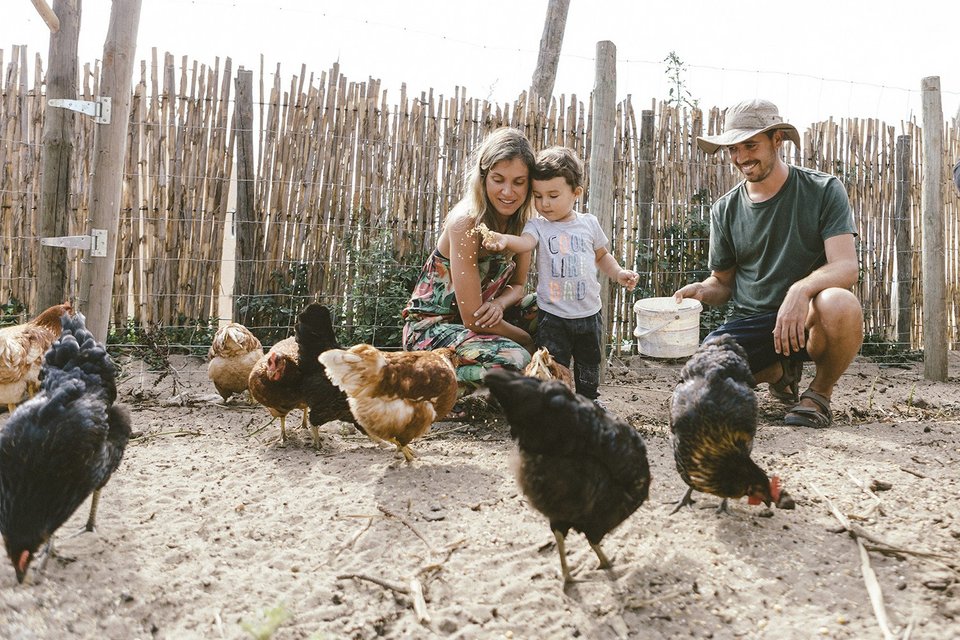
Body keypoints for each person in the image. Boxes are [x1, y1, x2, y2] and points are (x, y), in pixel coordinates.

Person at [674, 99, 863, 428]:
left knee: (840, 302)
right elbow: (723, 282)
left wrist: (800, 291)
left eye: (751, 144)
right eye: (734, 148)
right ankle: (779, 370)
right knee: (702, 387)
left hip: (808, 318)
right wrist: (703, 292)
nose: (741, 157)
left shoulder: (824, 190)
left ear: (777, 140)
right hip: (752, 321)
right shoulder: (724, 209)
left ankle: (818, 395)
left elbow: (846, 267)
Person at [482, 146, 639, 403]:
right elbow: (525, 244)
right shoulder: (538, 226)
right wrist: (502, 240)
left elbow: (601, 255)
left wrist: (619, 272)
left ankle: (589, 401)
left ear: (575, 193)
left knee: (589, 363)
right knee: (554, 363)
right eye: (538, 196)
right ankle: (557, 404)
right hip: (553, 315)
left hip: (588, 313)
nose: (545, 204)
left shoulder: (588, 223)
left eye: (553, 195)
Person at [402, 127, 538, 401]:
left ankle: (501, 386)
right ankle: (427, 386)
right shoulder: (466, 223)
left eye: (519, 182)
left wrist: (500, 304)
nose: (508, 192)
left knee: (546, 308)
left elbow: (519, 285)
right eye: (498, 179)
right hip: (434, 330)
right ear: (483, 177)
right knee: (517, 358)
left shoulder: (525, 225)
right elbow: (473, 317)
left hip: (483, 324)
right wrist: (527, 340)